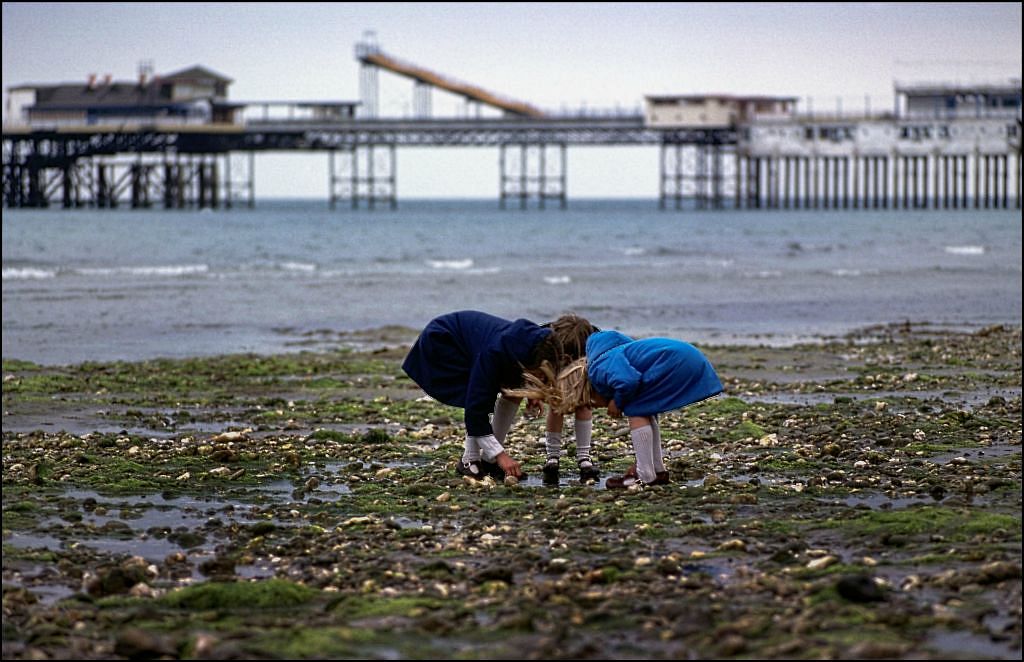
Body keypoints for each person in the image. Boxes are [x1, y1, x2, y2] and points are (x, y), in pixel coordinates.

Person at [510, 329, 723, 489]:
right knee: (644, 408)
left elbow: (628, 381)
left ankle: (645, 475)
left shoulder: (598, 369)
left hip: (676, 361)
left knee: (634, 408)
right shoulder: (603, 355)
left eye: (592, 403)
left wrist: (617, 401)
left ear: (587, 390)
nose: (598, 407)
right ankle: (657, 470)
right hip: (684, 356)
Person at [402, 310, 596, 481]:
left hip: (477, 341)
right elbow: (476, 410)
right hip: (444, 341)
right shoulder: (493, 355)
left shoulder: (539, 343)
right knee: (475, 398)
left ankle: (487, 461)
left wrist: (532, 390)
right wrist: (501, 455)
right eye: (539, 375)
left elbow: (530, 372)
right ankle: (469, 461)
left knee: (510, 390)